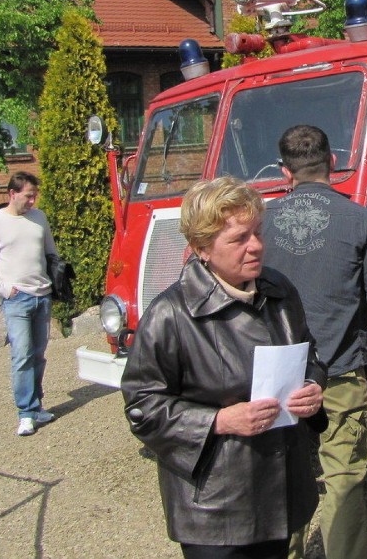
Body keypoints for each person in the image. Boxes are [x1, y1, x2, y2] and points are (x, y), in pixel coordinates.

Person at [121, 177, 327, 559]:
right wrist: (218, 422)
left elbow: (310, 352)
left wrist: (313, 385)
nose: (256, 246)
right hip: (215, 509)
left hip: (278, 491)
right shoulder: (170, 314)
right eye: (238, 239)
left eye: (258, 232)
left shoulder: (279, 290)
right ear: (201, 248)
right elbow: (142, 407)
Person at [262, 125, 367, 559]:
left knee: (282, 480)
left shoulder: (261, 222)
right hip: (341, 371)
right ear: (333, 164)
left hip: (278, 375)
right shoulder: (359, 219)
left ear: (285, 172)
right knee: (343, 483)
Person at [0, 171, 58, 437]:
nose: (32, 201)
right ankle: (25, 413)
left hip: (42, 295)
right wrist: (2, 289)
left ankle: (36, 405)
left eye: (34, 196)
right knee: (21, 355)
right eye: (28, 196)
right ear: (12, 193)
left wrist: (57, 280)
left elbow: (50, 254)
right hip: (16, 299)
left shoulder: (39, 218)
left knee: (38, 354)